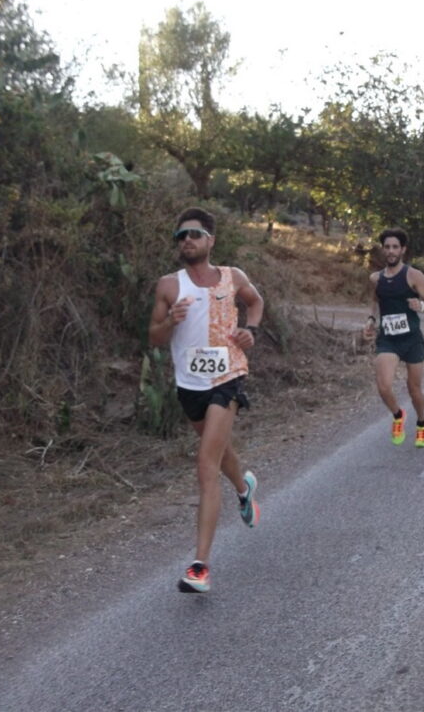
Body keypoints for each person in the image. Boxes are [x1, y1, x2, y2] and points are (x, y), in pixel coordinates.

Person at [148, 207, 264, 594]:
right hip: (190, 384)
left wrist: (250, 330)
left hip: (228, 375)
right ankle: (244, 488)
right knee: (216, 450)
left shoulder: (233, 277)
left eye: (194, 234)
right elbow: (153, 337)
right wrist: (170, 322)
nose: (187, 241)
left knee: (205, 464)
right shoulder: (168, 285)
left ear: (210, 240)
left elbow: (256, 301)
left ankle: (200, 567)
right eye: (180, 236)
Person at [361, 228, 424, 447]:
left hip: (412, 340)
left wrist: (421, 305)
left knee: (414, 390)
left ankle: (422, 424)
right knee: (384, 386)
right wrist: (370, 320)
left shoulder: (413, 275)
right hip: (388, 339)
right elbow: (376, 302)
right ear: (382, 250)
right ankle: (398, 415)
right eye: (387, 247)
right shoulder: (376, 278)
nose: (391, 251)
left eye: (395, 247)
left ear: (403, 250)